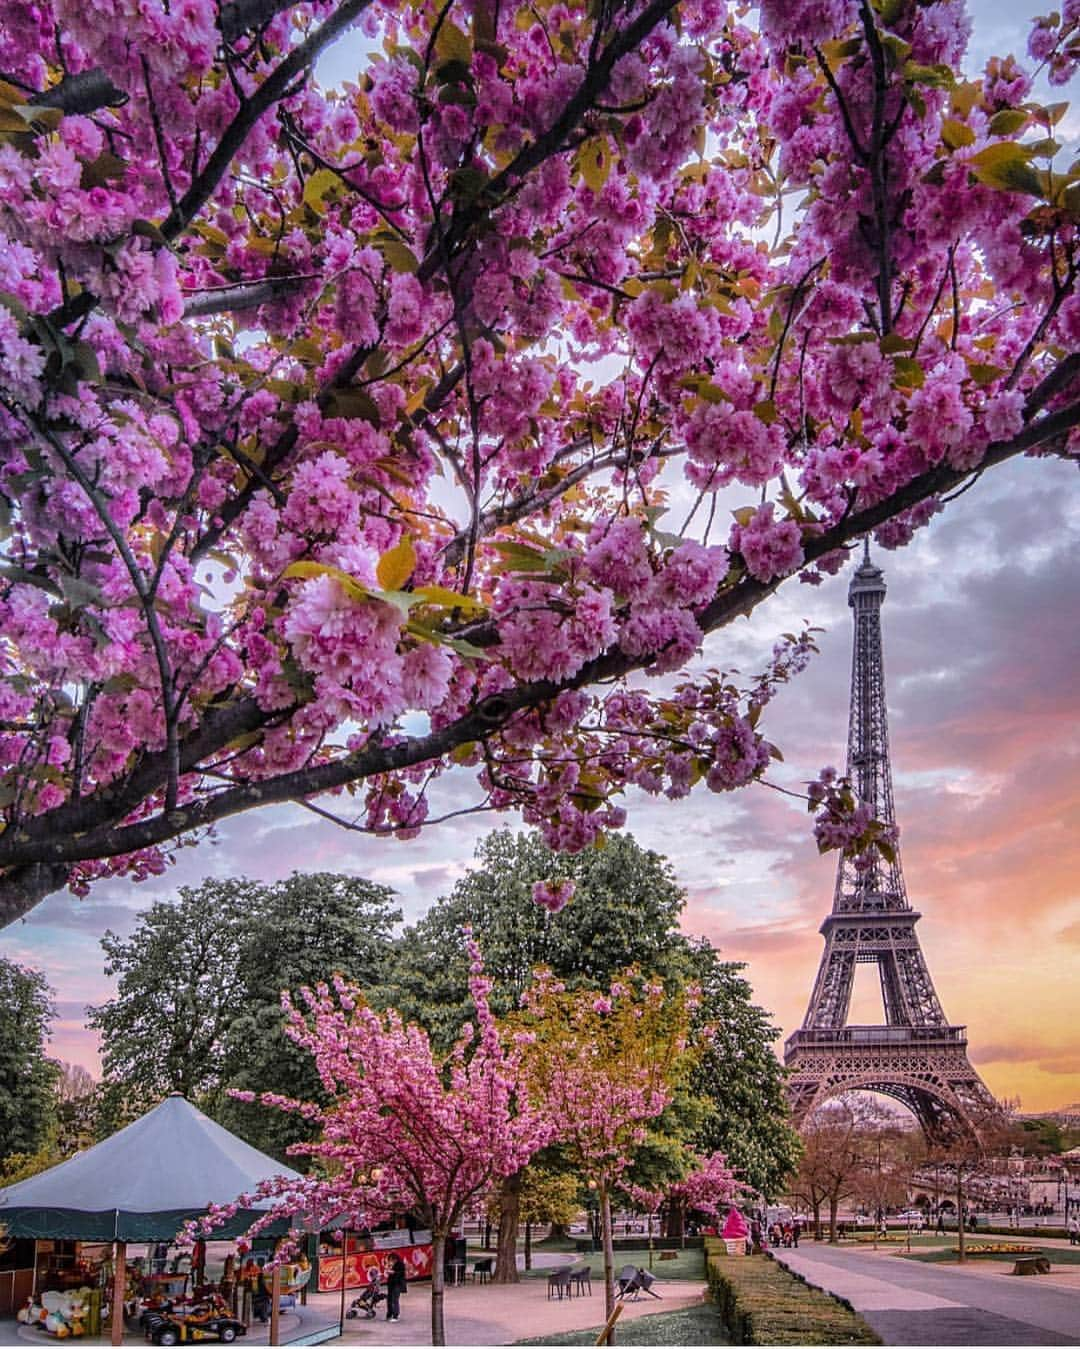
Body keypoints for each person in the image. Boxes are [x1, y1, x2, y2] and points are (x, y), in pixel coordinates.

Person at [386, 1256, 406, 1323]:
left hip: (397, 1284)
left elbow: (401, 1274)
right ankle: (389, 1314)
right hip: (391, 1284)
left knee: (395, 1300)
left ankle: (395, 1316)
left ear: (395, 1259)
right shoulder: (390, 1265)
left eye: (391, 1260)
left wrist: (393, 1272)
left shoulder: (400, 1265)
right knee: (389, 1299)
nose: (390, 1261)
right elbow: (388, 1273)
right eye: (389, 1260)